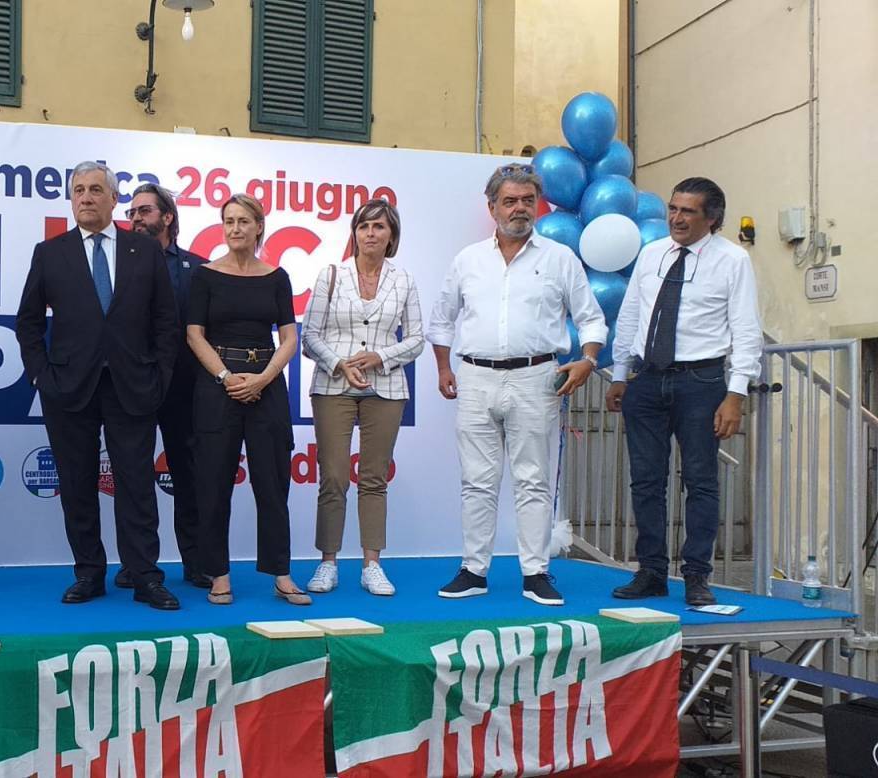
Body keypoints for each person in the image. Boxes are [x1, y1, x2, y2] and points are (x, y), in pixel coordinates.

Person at [426, 163, 607, 607]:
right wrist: (444, 369)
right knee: (477, 481)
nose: (519, 209)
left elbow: (591, 318)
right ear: (492, 207)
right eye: (510, 201)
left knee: (533, 480)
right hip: (475, 377)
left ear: (538, 205)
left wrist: (588, 360)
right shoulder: (468, 260)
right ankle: (473, 570)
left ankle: (536, 573)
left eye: (528, 200)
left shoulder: (560, 259)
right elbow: (441, 319)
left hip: (536, 377)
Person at [14, 161, 181, 611]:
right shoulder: (50, 253)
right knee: (77, 484)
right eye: (78, 191)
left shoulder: (144, 251)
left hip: (133, 386)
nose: (85, 197)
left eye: (94, 190)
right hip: (68, 388)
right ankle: (88, 574)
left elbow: (166, 322)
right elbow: (28, 322)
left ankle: (144, 576)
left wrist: (160, 375)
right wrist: (40, 374)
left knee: (136, 485)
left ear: (113, 199)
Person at [606, 177, 762, 606]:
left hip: (702, 382)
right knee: (646, 480)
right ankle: (651, 571)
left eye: (687, 211)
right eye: (673, 208)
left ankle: (696, 576)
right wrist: (619, 373)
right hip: (647, 378)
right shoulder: (652, 253)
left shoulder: (733, 260)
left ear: (711, 218)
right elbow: (631, 314)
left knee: (700, 480)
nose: (676, 218)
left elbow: (746, 330)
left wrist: (736, 394)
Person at [185, 193, 308, 606]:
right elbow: (194, 335)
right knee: (213, 483)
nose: (235, 228)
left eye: (243, 221)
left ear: (259, 227)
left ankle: (281, 574)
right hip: (216, 386)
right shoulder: (204, 276)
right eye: (229, 221)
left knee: (273, 482)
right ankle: (218, 575)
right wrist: (225, 376)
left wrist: (264, 379)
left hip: (266, 384)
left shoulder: (277, 277)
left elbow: (289, 338)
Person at [300, 198, 424, 596]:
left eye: (379, 226)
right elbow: (309, 336)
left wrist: (381, 357)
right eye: (364, 226)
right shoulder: (331, 274)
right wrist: (339, 364)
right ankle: (328, 562)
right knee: (334, 475)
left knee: (374, 477)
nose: (370, 233)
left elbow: (418, 339)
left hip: (385, 387)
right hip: (333, 384)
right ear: (354, 233)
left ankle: (372, 564)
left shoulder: (404, 280)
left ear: (392, 236)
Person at [122, 182, 211, 590]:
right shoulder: (118, 265)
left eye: (145, 211)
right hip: (134, 385)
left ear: (168, 217)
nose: (136, 219)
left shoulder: (199, 269)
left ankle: (197, 562)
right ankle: (137, 564)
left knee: (190, 477)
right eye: (133, 212)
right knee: (134, 477)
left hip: (186, 389)